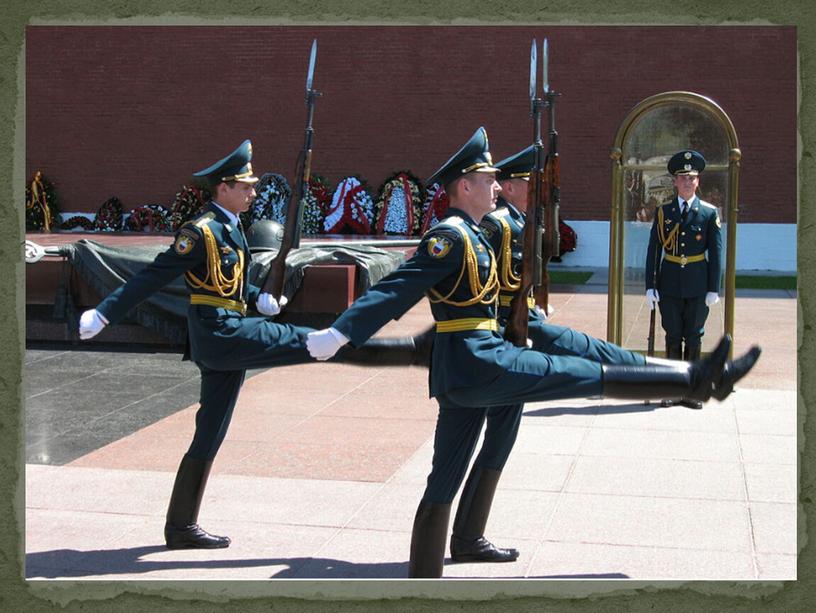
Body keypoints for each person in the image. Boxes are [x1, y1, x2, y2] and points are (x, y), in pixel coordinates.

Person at [305, 128, 761, 578]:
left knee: (447, 472)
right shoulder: (451, 237)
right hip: (483, 360)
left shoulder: (474, 233)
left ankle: (430, 570)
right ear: (465, 186)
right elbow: (395, 290)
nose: (498, 186)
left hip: (470, 365)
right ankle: (694, 379)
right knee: (579, 373)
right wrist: (341, 332)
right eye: (489, 180)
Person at [78, 140, 427, 550]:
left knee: (210, 433)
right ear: (223, 188)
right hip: (222, 334)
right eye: (245, 186)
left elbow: (224, 279)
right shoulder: (200, 232)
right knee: (315, 342)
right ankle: (411, 350)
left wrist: (254, 296)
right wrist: (105, 313)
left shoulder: (228, 227)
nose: (253, 193)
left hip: (228, 331)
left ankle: (180, 527)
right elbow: (151, 277)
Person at [645, 150, 723, 409]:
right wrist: (650, 286)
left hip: (698, 283)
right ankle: (671, 388)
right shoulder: (663, 212)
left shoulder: (709, 213)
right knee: (672, 335)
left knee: (693, 337)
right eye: (682, 177)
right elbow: (654, 250)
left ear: (698, 181)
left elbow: (717, 252)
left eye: (692, 177)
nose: (687, 182)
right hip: (669, 283)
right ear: (675, 182)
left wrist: (714, 288)